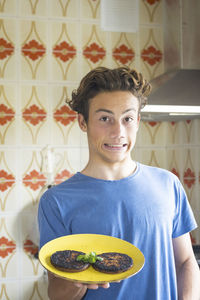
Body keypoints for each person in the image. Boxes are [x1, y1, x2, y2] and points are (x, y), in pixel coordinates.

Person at [38, 66, 200, 300]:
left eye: (127, 119)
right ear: (82, 122)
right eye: (105, 118)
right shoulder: (56, 201)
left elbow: (185, 261)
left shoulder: (168, 184)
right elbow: (57, 293)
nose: (118, 132)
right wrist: (78, 281)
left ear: (138, 121)